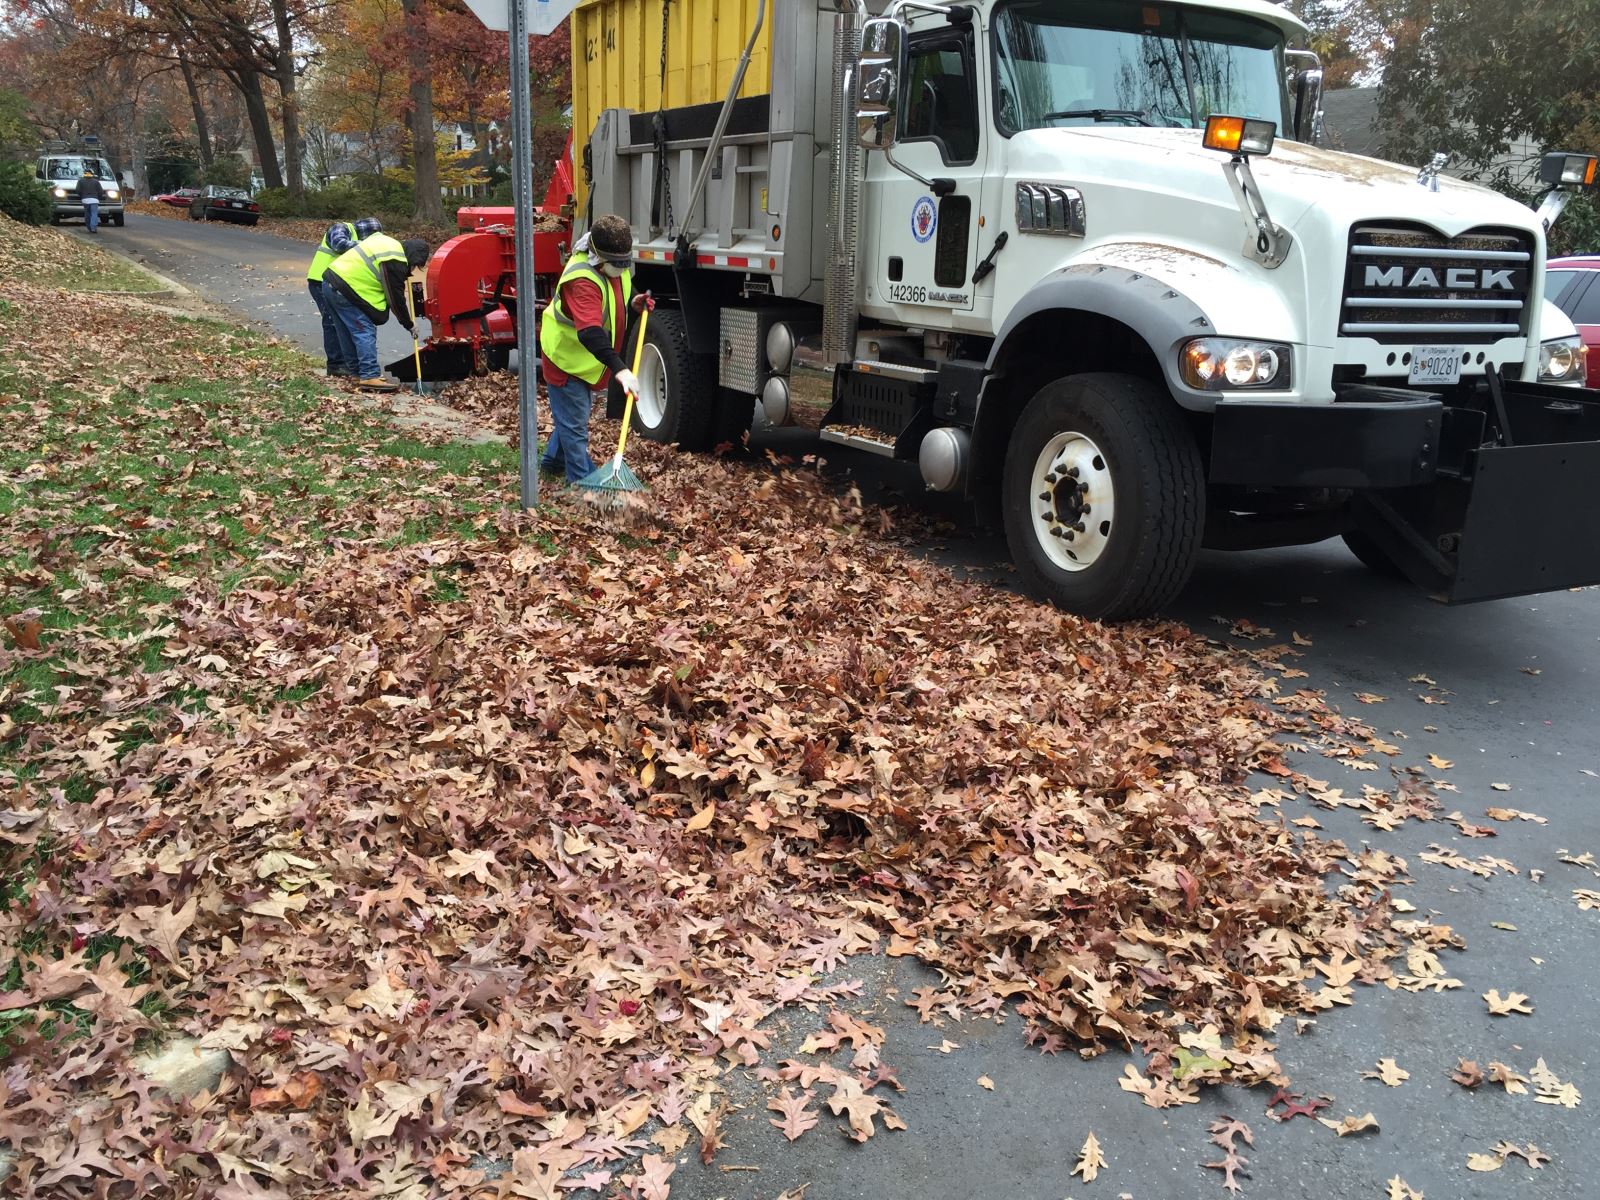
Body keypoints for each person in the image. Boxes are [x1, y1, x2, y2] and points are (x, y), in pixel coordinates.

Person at [536, 214, 654, 483]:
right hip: (566, 359)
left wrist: (634, 300)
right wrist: (620, 369)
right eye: (617, 263)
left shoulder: (611, 266)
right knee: (575, 426)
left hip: (585, 363)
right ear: (598, 256)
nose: (622, 268)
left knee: (570, 417)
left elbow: (620, 286)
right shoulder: (583, 280)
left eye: (626, 262)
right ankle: (581, 483)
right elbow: (590, 332)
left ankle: (551, 463)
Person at [322, 232, 430, 392]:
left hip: (330, 283)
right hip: (347, 287)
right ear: (413, 257)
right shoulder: (395, 259)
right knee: (363, 330)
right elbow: (395, 299)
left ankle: (357, 373)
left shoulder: (389, 244)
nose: (413, 269)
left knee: (346, 331)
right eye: (415, 265)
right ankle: (369, 375)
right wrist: (409, 324)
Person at [308, 217, 383, 377]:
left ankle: (347, 364)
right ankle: (336, 365)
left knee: (341, 323)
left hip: (335, 283)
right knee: (332, 324)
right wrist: (367, 247)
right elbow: (339, 244)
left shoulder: (355, 236)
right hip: (320, 280)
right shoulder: (340, 228)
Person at [78, 168, 104, 234]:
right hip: (94, 200)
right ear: (92, 174)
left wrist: (81, 196)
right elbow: (100, 191)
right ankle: (93, 227)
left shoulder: (80, 181)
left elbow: (78, 190)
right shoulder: (96, 182)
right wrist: (99, 197)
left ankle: (89, 227)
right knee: (94, 213)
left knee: (87, 214)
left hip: (85, 200)